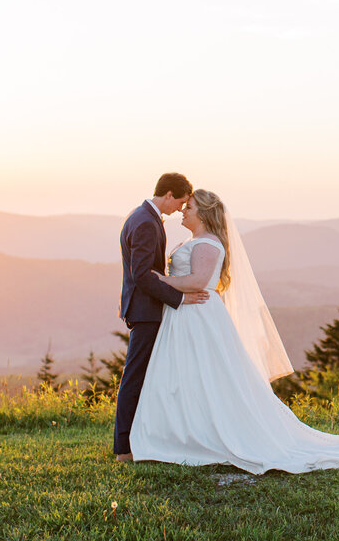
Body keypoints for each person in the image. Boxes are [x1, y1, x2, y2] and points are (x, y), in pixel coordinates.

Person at [129, 188, 339, 473]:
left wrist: (160, 281)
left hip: (197, 317)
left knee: (207, 377)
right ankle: (183, 433)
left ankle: (203, 437)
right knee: (186, 378)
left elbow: (197, 282)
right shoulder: (194, 241)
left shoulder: (207, 243)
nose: (183, 211)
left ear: (204, 214)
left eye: (190, 208)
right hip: (183, 316)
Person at [113, 173, 211, 462]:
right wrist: (180, 298)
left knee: (146, 377)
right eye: (180, 202)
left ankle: (143, 440)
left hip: (146, 309)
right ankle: (124, 449)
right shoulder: (145, 222)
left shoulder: (142, 216)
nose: (181, 209)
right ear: (169, 194)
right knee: (135, 378)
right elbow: (142, 276)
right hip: (146, 311)